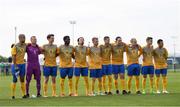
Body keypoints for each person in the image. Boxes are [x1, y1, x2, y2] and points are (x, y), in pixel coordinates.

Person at [11, 34, 26, 99]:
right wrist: (15, 65)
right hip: (15, 64)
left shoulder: (25, 45)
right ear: (19, 38)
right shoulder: (15, 46)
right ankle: (13, 95)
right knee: (15, 79)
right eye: (23, 38)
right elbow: (13, 56)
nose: (24, 39)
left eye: (24, 37)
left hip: (22, 64)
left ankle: (24, 94)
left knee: (22, 78)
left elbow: (31, 44)